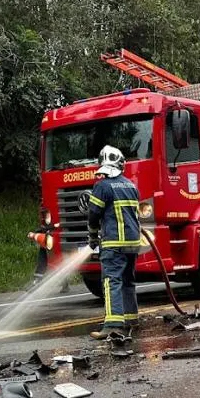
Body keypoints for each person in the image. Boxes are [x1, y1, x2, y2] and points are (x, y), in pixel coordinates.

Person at [86, 145, 141, 339]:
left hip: (114, 244)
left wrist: (92, 236)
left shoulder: (102, 186)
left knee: (111, 281)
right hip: (133, 243)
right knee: (128, 280)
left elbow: (93, 215)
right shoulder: (131, 185)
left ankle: (113, 325)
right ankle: (131, 320)